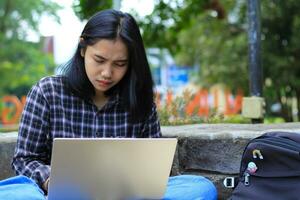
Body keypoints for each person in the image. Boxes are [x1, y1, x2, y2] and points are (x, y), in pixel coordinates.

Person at [1, 9, 217, 200]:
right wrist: (52, 181)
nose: (107, 73)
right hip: (60, 195)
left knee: (200, 188)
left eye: (119, 64)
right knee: (13, 193)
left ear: (131, 63)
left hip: (124, 195)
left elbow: (154, 171)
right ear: (83, 49)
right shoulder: (48, 92)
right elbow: (25, 159)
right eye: (99, 60)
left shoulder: (140, 102)